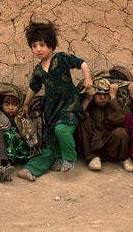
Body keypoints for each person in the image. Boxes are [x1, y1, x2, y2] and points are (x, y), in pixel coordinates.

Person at [17, 19, 93, 181]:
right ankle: (58, 158)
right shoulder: (38, 70)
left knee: (62, 130)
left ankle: (69, 158)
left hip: (69, 104)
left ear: (51, 44)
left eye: (42, 45)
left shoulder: (61, 58)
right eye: (34, 46)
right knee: (51, 136)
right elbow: (33, 88)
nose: (38, 49)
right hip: (51, 109)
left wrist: (87, 78)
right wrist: (25, 104)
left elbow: (82, 63)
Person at [79, 79, 133, 172]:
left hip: (111, 147)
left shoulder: (113, 103)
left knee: (121, 132)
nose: (102, 97)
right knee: (84, 122)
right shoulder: (91, 105)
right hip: (93, 147)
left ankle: (124, 158)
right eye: (98, 94)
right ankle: (92, 158)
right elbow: (77, 117)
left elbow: (119, 120)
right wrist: (88, 99)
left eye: (105, 94)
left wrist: (113, 97)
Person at [0, 94, 40, 165]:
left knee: (9, 135)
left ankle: (8, 163)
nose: (10, 108)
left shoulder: (21, 118)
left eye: (14, 104)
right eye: (6, 104)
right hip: (4, 149)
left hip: (20, 148)